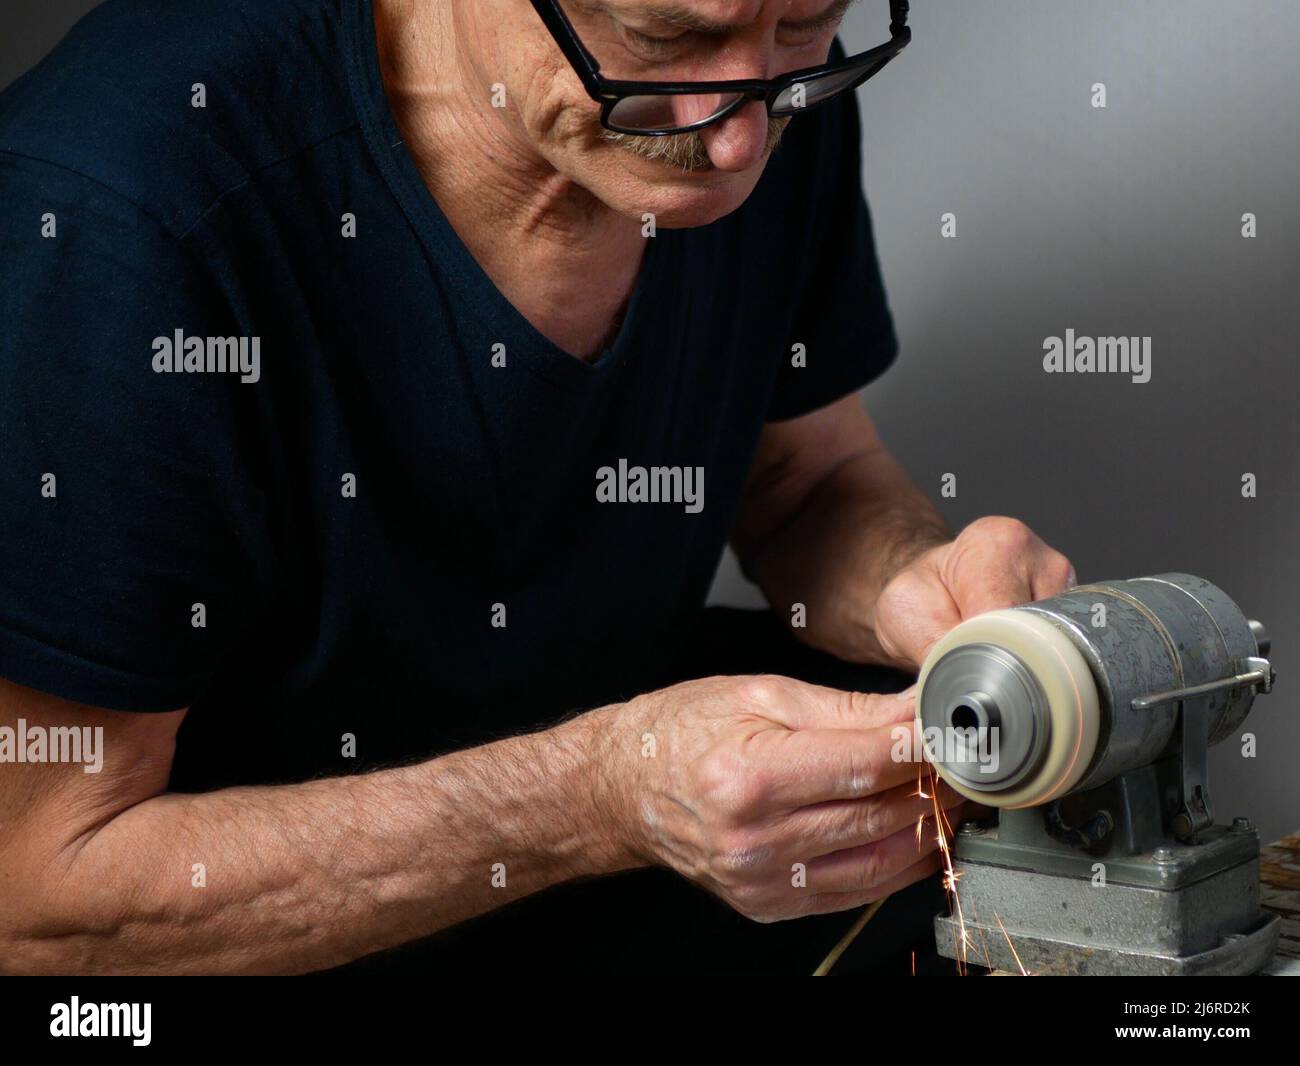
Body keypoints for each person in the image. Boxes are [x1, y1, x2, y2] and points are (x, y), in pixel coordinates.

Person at [0, 0, 1073, 974]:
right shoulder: (119, 208)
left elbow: (805, 477)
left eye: (810, 22)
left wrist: (914, 578)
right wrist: (594, 797)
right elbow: (35, 892)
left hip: (597, 857)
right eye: (660, 41)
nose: (740, 140)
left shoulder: (757, 76)